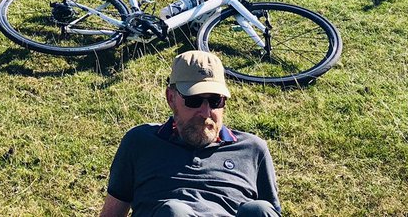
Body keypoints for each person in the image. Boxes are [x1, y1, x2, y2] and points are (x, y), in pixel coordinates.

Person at [99, 50, 281, 217]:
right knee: (174, 212)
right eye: (194, 101)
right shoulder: (141, 142)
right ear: (171, 98)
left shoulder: (252, 149)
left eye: (215, 101)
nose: (205, 112)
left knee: (259, 210)